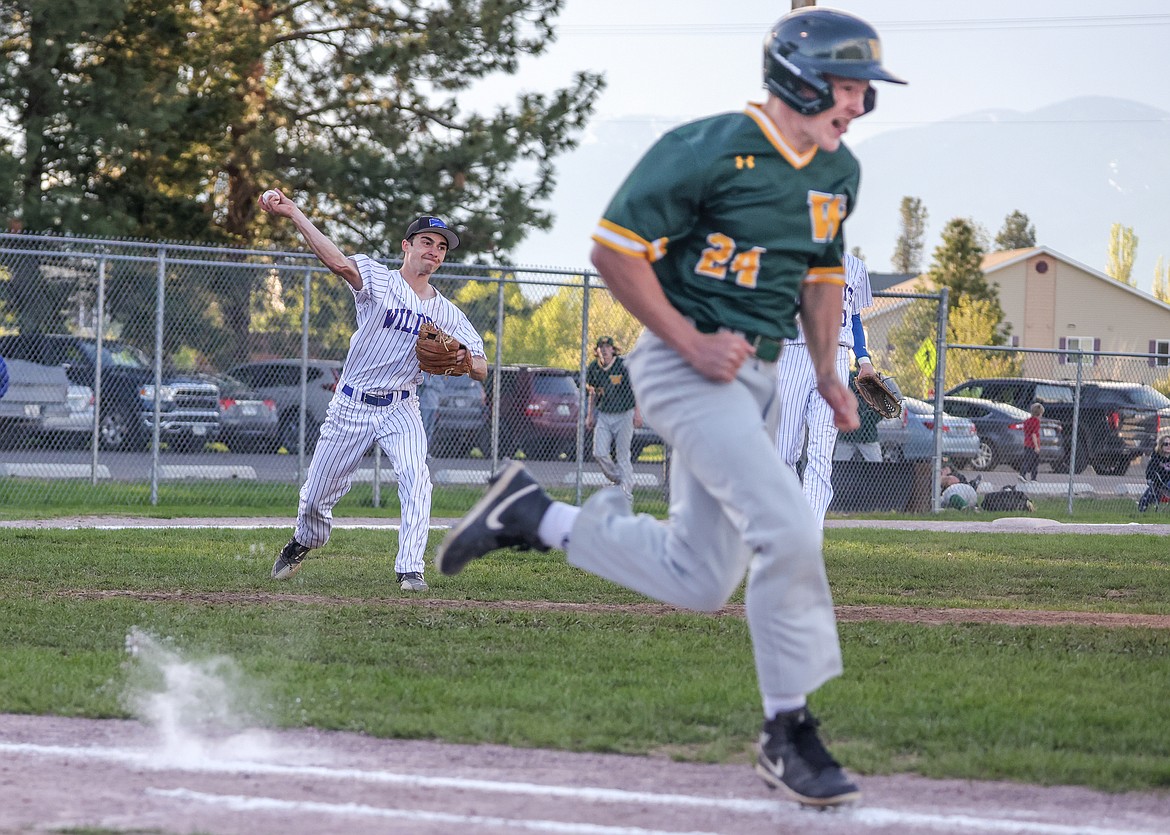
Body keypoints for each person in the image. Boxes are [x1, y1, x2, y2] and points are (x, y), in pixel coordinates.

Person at [435, 7, 904, 808]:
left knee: (699, 577)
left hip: (752, 377)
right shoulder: (711, 146)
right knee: (788, 524)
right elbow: (613, 251)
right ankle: (787, 731)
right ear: (799, 79)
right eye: (849, 88)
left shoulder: (837, 174)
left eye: (865, 92)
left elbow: (822, 277)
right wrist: (688, 340)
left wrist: (828, 371)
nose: (861, 106)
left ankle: (533, 516)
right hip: (684, 370)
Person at [259, 189, 487, 592]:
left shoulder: (449, 314)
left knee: (417, 476)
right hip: (351, 403)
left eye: (440, 247)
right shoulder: (379, 279)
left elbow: (483, 368)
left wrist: (465, 360)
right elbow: (337, 262)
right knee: (315, 498)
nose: (433, 251)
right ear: (407, 246)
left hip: (402, 405)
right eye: (426, 243)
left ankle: (410, 568)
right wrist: (294, 212)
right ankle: (305, 540)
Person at [777, 253, 875, 528]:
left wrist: (864, 360)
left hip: (837, 357)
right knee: (783, 453)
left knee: (821, 454)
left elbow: (854, 319)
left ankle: (810, 535)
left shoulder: (855, 266)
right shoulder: (789, 254)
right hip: (792, 353)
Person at [585, 335, 641, 503]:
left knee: (623, 455)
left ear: (613, 349)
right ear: (597, 351)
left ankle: (627, 498)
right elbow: (593, 392)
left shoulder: (622, 366)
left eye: (607, 347)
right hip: (604, 415)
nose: (604, 350)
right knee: (599, 452)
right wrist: (590, 414)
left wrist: (638, 413)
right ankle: (620, 480)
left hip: (624, 414)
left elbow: (635, 387)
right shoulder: (594, 368)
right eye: (601, 347)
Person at [834, 367, 883, 464]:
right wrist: (870, 421)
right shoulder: (871, 382)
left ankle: (836, 478)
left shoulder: (848, 378)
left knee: (839, 463)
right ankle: (879, 478)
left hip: (850, 432)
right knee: (877, 463)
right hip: (866, 434)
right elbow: (880, 410)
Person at [1137, 435, 1170, 512]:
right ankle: (1143, 507)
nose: (1168, 446)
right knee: (1153, 490)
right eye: (1166, 444)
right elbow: (1149, 472)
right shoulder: (1156, 458)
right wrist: (1157, 482)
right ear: (1161, 446)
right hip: (1160, 484)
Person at [1019, 402, 1044, 481]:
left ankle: (1022, 474)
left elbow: (1025, 430)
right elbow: (1034, 434)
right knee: (1034, 462)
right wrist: (1036, 446)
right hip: (1033, 445)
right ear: (1039, 413)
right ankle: (1033, 478)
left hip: (1026, 444)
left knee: (1026, 460)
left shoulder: (1027, 421)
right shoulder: (1036, 422)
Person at [418, 371, 441, 455]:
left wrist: (431, 384)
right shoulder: (421, 374)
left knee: (430, 430)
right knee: (423, 428)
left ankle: (426, 451)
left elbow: (441, 387)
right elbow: (421, 385)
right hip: (423, 405)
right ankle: (419, 450)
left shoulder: (436, 376)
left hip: (433, 405)